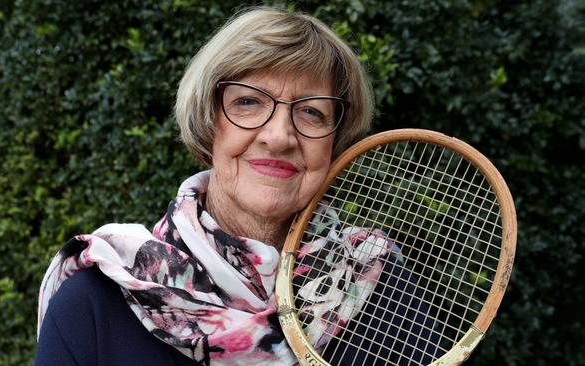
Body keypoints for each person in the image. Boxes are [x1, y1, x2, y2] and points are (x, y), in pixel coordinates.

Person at [35, 7, 437, 366]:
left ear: (335, 142)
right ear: (210, 121)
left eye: (311, 112)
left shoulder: (382, 288)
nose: (279, 136)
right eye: (248, 102)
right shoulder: (95, 303)